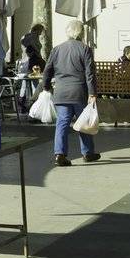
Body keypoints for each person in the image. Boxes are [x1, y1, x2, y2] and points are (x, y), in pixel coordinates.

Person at [41, 19, 99, 166]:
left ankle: (59, 153)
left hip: (60, 92)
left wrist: (46, 86)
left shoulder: (57, 49)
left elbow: (47, 70)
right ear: (82, 33)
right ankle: (87, 153)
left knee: (62, 123)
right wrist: (92, 93)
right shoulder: (85, 49)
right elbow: (90, 74)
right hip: (79, 92)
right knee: (83, 122)